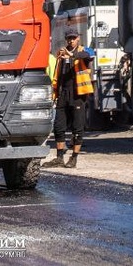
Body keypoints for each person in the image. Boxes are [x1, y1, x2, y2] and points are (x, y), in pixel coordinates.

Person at [43, 28, 94, 169]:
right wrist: (55, 94)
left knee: (77, 128)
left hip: (78, 95)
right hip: (63, 94)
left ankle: (74, 158)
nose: (71, 40)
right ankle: (59, 158)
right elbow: (57, 76)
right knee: (59, 127)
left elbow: (89, 54)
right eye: (69, 38)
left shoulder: (85, 51)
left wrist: (72, 55)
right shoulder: (61, 54)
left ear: (78, 38)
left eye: (73, 38)